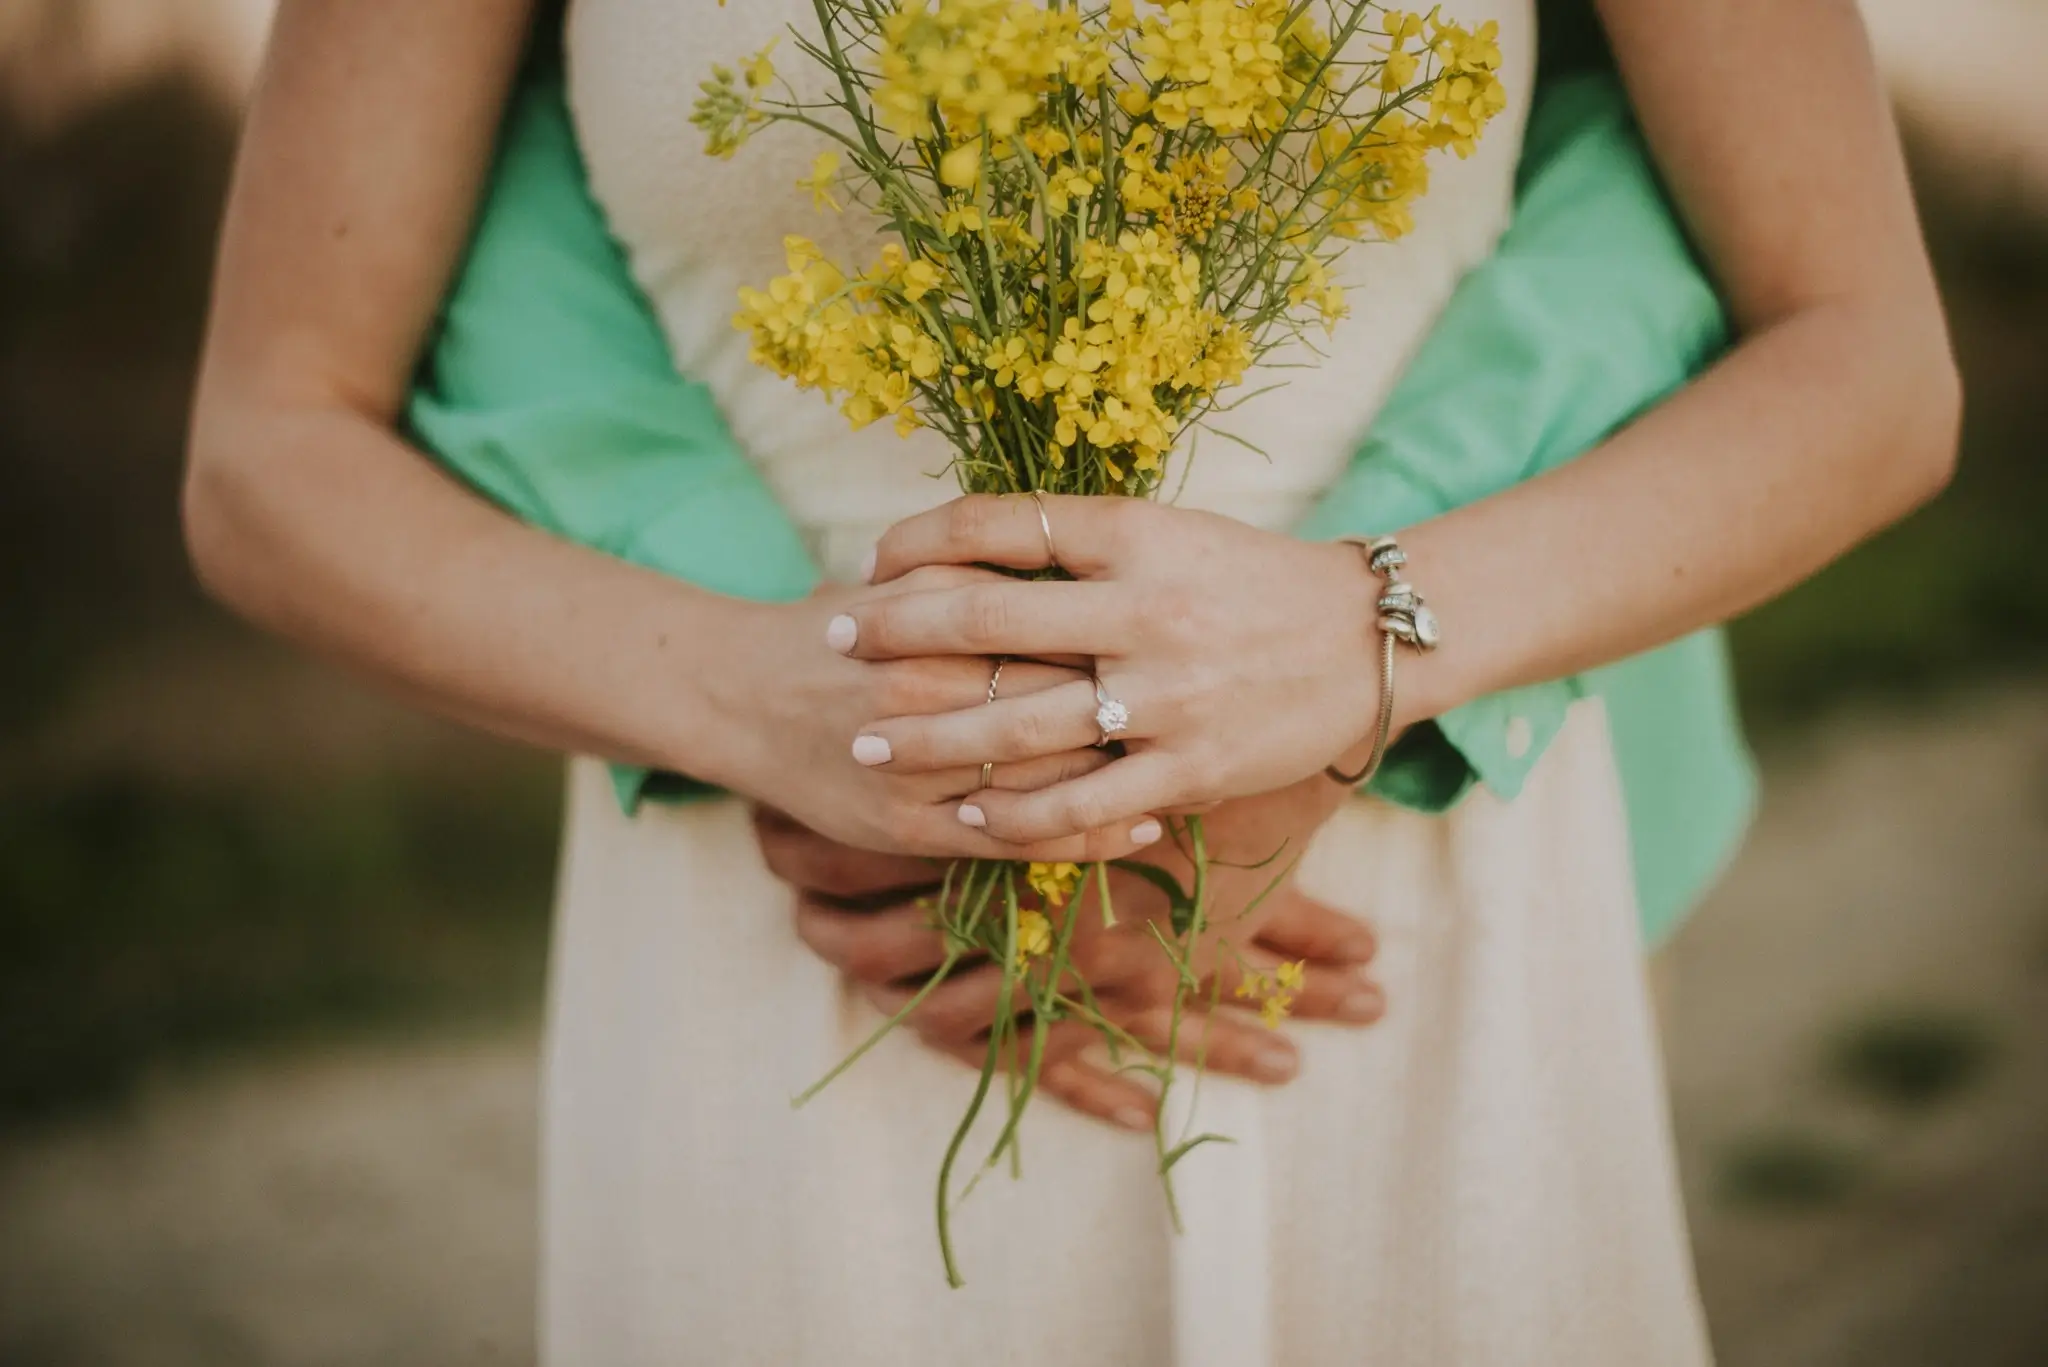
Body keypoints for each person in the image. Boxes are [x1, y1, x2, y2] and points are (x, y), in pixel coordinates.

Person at [184, 2, 1957, 1363]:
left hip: (1394, 882)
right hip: (793, 898)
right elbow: (268, 449)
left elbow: (1866, 358)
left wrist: (1352, 657)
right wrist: (778, 708)